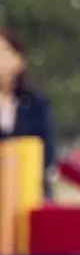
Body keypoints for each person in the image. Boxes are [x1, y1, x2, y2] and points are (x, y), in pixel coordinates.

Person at [0, 27, 57, 196]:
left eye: (3, 53)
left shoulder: (35, 104)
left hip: (28, 190)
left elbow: (47, 152)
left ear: (19, 61)